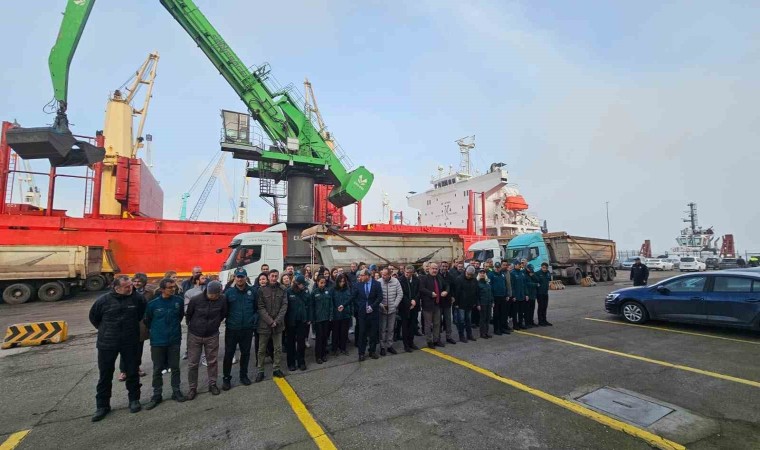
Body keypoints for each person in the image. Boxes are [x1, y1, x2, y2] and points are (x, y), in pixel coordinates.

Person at [89, 275, 146, 421]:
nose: (130, 288)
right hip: (107, 343)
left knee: (132, 372)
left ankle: (134, 400)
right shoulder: (103, 301)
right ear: (116, 288)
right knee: (105, 375)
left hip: (130, 341)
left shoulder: (137, 299)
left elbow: (141, 314)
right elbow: (94, 318)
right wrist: (107, 330)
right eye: (127, 287)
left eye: (131, 285)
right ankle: (102, 406)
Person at [144, 278, 186, 410]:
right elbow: (147, 320)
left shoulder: (178, 301)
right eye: (170, 287)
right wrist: (158, 330)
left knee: (175, 367)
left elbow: (180, 317)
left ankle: (176, 391)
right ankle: (157, 394)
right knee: (157, 368)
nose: (173, 289)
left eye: (174, 287)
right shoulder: (153, 304)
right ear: (162, 289)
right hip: (158, 341)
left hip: (174, 340)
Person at [185, 280, 227, 400]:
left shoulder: (222, 299)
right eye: (213, 295)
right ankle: (192, 388)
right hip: (195, 335)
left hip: (212, 335)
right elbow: (188, 315)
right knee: (193, 363)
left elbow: (223, 313)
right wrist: (194, 326)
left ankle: (212, 384)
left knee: (212, 361)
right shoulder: (196, 300)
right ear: (208, 292)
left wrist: (214, 324)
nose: (215, 297)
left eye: (217, 295)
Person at [222, 268, 258, 390]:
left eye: (242, 277)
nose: (240, 279)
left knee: (245, 353)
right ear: (235, 278)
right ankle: (226, 378)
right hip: (232, 329)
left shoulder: (252, 291)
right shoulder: (229, 292)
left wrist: (254, 319)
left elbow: (257, 308)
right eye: (238, 276)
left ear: (246, 278)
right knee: (229, 354)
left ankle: (243, 376)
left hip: (247, 329)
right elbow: (224, 310)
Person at [118, 273, 151, 382]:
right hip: (127, 325)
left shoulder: (149, 293)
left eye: (139, 281)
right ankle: (123, 371)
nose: (136, 283)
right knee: (125, 349)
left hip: (141, 325)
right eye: (135, 281)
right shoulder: (127, 292)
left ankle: (137, 367)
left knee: (138, 348)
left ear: (144, 283)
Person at [256, 269, 287, 382]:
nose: (274, 278)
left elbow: (284, 306)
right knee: (261, 349)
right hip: (264, 325)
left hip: (278, 325)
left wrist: (276, 321)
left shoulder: (282, 289)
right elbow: (260, 307)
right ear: (268, 277)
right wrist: (270, 321)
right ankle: (260, 370)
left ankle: (276, 369)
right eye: (272, 276)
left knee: (278, 348)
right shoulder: (261, 290)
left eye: (276, 276)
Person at [351, 268, 382, 361]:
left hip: (373, 313)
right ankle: (361, 353)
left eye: (362, 275)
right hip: (362, 314)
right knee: (362, 333)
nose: (360, 277)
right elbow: (353, 297)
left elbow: (380, 297)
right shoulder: (358, 285)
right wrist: (359, 306)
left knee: (373, 333)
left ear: (367, 276)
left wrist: (372, 306)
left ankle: (372, 351)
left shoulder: (377, 284)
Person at [418, 263, 450, 348]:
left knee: (437, 323)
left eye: (436, 269)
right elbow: (421, 288)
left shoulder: (439, 277)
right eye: (433, 268)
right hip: (428, 305)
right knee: (428, 325)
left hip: (437, 304)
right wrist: (430, 293)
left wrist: (446, 291)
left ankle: (436, 340)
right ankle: (429, 341)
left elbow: (447, 285)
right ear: (429, 269)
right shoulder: (424, 278)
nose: (435, 270)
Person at [285, 275, 311, 371]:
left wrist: (309, 318)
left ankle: (301, 362)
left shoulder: (305, 291)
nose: (304, 286)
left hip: (302, 321)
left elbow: (309, 304)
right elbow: (285, 307)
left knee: (301, 343)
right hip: (291, 321)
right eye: (302, 284)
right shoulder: (288, 292)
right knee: (290, 343)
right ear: (297, 284)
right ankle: (291, 363)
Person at [182, 273, 208, 361]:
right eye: (203, 278)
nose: (205, 280)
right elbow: (186, 307)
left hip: (206, 320)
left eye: (205, 278)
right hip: (194, 320)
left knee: (206, 339)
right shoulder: (189, 292)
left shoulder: (208, 290)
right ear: (197, 281)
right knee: (192, 339)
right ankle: (189, 354)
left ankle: (204, 357)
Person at [378, 267, 403, 356]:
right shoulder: (379, 282)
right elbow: (376, 296)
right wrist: (381, 305)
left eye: (385, 275)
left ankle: (389, 345)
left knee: (391, 329)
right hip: (382, 310)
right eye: (382, 274)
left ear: (389, 275)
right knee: (382, 329)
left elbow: (400, 294)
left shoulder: (396, 281)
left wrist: (395, 305)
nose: (383, 276)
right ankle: (382, 347)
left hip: (392, 310)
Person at [454, 266, 479, 343]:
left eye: (471, 275)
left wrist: (475, 302)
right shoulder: (459, 279)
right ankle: (461, 336)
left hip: (470, 303)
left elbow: (476, 291)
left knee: (468, 320)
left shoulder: (474, 280)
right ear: (465, 272)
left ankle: (469, 335)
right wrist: (456, 303)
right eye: (468, 274)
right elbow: (456, 292)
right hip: (461, 303)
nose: (469, 276)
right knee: (461, 321)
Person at [398, 265, 420, 352]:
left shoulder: (416, 280)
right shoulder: (400, 280)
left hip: (414, 306)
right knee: (405, 326)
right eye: (406, 272)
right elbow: (401, 294)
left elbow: (418, 291)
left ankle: (411, 342)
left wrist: (415, 300)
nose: (407, 274)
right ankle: (406, 345)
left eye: (410, 273)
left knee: (412, 325)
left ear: (412, 273)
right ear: (404, 271)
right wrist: (409, 303)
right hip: (404, 307)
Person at [311, 276, 333, 364]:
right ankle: (318, 356)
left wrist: (331, 315)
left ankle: (323, 354)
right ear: (317, 282)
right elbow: (312, 307)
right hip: (318, 319)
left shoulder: (328, 291)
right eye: (321, 282)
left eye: (324, 283)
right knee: (319, 338)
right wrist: (313, 319)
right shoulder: (314, 293)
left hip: (326, 318)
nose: (323, 284)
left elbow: (331, 305)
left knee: (325, 337)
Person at [331, 274, 352, 356]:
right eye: (340, 282)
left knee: (344, 332)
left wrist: (349, 311)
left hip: (345, 314)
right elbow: (331, 302)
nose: (342, 283)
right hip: (336, 314)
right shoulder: (333, 290)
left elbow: (350, 300)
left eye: (343, 281)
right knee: (335, 332)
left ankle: (343, 348)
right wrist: (334, 310)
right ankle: (334, 349)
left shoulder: (347, 289)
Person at [488, 262, 510, 335]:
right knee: (496, 314)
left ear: (500, 267)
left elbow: (505, 285)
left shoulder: (502, 274)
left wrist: (507, 294)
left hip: (503, 296)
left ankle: (502, 328)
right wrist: (492, 298)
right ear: (494, 267)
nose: (497, 269)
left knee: (503, 313)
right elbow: (489, 287)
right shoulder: (491, 274)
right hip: (495, 296)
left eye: (498, 267)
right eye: (496, 267)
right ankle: (496, 329)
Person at [438, 261, 457, 345]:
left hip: (447, 302)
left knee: (448, 320)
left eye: (446, 266)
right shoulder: (436, 275)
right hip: (438, 302)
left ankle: (449, 337)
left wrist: (453, 296)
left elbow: (453, 288)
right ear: (440, 266)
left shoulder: (450, 276)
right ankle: (437, 338)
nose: (444, 268)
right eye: (443, 266)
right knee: (438, 321)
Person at [510, 261, 527, 330]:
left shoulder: (522, 273)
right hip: (516, 296)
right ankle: (515, 325)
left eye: (520, 264)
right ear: (515, 265)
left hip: (522, 295)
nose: (519, 265)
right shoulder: (512, 273)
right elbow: (512, 286)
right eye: (518, 264)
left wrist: (526, 294)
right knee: (515, 312)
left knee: (521, 311)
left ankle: (520, 323)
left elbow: (524, 285)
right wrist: (513, 296)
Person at [476, 269, 493, 338]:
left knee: (488, 318)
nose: (482, 274)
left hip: (489, 303)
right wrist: (478, 304)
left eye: (483, 273)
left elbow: (491, 293)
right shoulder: (477, 284)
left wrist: (492, 301)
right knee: (483, 319)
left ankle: (486, 332)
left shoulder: (487, 283)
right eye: (481, 273)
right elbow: (476, 295)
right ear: (479, 274)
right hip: (482, 303)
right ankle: (482, 333)